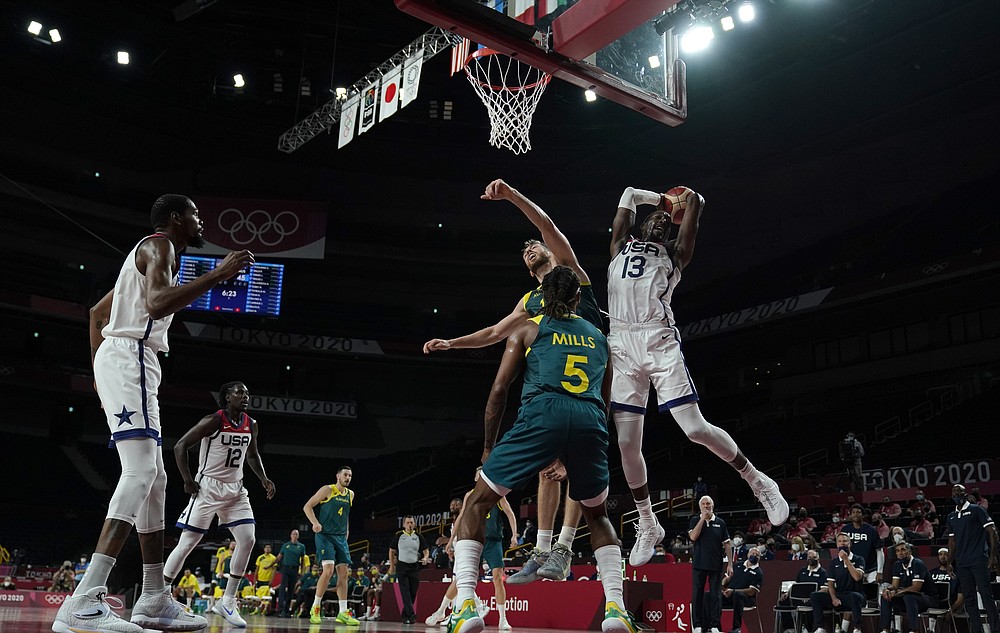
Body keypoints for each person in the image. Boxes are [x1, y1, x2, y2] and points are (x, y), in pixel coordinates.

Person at [57, 194, 252, 633]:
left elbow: (96, 314)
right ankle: (84, 600)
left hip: (124, 360)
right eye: (197, 215)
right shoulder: (159, 245)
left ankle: (152, 597)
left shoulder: (146, 257)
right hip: (131, 358)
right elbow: (160, 303)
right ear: (176, 218)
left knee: (157, 478)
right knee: (142, 473)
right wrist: (218, 274)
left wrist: (97, 372)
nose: (201, 221)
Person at [424, 179, 601, 584]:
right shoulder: (530, 301)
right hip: (554, 388)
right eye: (523, 250)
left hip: (593, 373)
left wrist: (511, 196)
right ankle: (544, 551)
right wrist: (452, 342)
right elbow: (493, 333)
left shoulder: (571, 276)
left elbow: (546, 225)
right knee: (547, 469)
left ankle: (565, 547)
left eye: (533, 245)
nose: (529, 248)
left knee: (575, 466)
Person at [446, 265, 638, 633]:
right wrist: (574, 450)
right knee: (597, 516)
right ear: (577, 298)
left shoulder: (528, 328)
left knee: (477, 502)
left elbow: (499, 391)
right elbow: (605, 401)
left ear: (542, 298)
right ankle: (616, 608)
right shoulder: (599, 337)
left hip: (543, 413)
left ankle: (466, 603)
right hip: (590, 421)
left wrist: (489, 447)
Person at [608, 186, 788, 567]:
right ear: (640, 227)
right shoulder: (620, 245)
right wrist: (658, 200)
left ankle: (757, 480)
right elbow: (627, 194)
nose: (660, 221)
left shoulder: (675, 254)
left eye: (665, 221)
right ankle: (647, 521)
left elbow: (697, 201)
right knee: (626, 443)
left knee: (693, 429)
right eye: (653, 219)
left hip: (657, 339)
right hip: (621, 342)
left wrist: (678, 203)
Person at [162, 380, 275, 628]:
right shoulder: (214, 420)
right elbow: (180, 446)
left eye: (247, 393)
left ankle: (228, 601)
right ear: (227, 397)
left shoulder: (251, 424)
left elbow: (252, 455)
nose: (245, 396)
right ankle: (160, 594)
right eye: (239, 392)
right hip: (208, 488)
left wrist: (263, 478)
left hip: (236, 489)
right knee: (188, 542)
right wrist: (187, 480)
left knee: (248, 539)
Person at [426, 469, 518, 629]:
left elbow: (510, 513)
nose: (482, 475)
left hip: (494, 541)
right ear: (476, 478)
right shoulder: (470, 495)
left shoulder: (498, 493)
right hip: (475, 539)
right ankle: (440, 611)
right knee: (460, 579)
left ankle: (503, 619)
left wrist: (514, 535)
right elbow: (461, 517)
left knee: (498, 578)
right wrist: (450, 540)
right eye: (479, 473)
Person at [303, 467, 360, 625]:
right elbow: (307, 506)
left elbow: (345, 514)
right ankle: (315, 608)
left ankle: (343, 612)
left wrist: (346, 530)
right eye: (345, 475)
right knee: (328, 571)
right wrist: (315, 522)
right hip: (325, 536)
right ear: (338, 476)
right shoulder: (328, 489)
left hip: (340, 538)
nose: (348, 478)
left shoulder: (351, 495)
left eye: (350, 475)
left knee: (344, 573)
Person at [944, 484, 999, 633]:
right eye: (954, 492)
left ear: (965, 493)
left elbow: (992, 531)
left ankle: (995, 629)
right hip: (962, 562)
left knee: (986, 595)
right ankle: (977, 630)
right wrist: (949, 562)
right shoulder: (951, 516)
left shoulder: (976, 510)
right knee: (969, 598)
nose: (957, 494)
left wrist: (993, 556)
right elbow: (952, 542)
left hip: (978, 559)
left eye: (959, 492)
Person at [690, 495, 732, 633]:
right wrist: (703, 518)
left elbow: (727, 544)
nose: (706, 506)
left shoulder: (720, 522)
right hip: (699, 563)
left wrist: (730, 564)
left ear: (712, 505)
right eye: (703, 504)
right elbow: (693, 537)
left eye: (708, 503)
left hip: (715, 563)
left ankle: (715, 625)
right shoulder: (695, 520)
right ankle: (697, 625)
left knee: (716, 595)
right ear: (700, 506)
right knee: (698, 594)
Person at [809, 533, 865, 633]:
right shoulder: (834, 562)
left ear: (850, 543)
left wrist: (846, 560)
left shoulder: (859, 559)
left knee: (854, 596)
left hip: (856, 595)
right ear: (837, 545)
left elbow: (857, 577)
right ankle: (820, 628)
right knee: (815, 596)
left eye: (845, 541)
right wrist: (834, 598)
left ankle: (857, 628)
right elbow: (830, 584)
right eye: (839, 541)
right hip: (840, 596)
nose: (842, 544)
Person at [878, 541, 936, 633]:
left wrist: (896, 592)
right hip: (908, 598)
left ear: (909, 552)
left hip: (927, 598)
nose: (900, 553)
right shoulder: (897, 565)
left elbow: (916, 588)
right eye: (897, 551)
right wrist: (888, 590)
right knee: (885, 597)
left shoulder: (917, 564)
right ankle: (885, 629)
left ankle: (914, 630)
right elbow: (895, 585)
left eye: (903, 550)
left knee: (909, 597)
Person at [388, 515, 431, 624]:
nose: (409, 525)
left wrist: (425, 557)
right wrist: (392, 566)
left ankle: (405, 615)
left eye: (411, 522)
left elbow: (426, 550)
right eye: (407, 523)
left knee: (413, 591)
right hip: (402, 566)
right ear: (404, 524)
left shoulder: (419, 536)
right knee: (405, 591)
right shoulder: (399, 536)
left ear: (414, 524)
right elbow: (391, 551)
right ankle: (412, 615)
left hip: (414, 566)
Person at [776, 549, 827, 633]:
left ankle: (807, 628)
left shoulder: (823, 573)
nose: (811, 559)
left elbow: (825, 588)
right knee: (784, 601)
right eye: (809, 557)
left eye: (813, 557)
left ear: (818, 559)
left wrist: (814, 596)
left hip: (812, 599)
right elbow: (796, 585)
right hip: (799, 598)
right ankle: (790, 628)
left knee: (811, 604)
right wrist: (787, 593)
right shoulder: (802, 571)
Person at [722, 547, 764, 633]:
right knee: (710, 595)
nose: (754, 556)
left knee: (738, 595)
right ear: (748, 554)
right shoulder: (737, 565)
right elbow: (726, 581)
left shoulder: (758, 572)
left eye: (757, 555)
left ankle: (736, 628)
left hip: (747, 599)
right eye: (753, 554)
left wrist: (733, 591)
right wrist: (725, 580)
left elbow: (751, 591)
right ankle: (713, 626)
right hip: (730, 594)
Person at [840, 504, 882, 582]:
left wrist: (880, 571)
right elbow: (841, 550)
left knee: (872, 592)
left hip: (870, 569)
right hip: (852, 568)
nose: (855, 514)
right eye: (853, 512)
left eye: (858, 512)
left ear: (863, 515)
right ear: (850, 515)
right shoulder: (845, 530)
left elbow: (879, 551)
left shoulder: (871, 530)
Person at [273, 529, 307, 617]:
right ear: (291, 535)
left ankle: (286, 610)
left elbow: (303, 560)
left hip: (295, 569)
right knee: (282, 588)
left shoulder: (301, 546)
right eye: (294, 534)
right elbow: (279, 557)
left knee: (291, 590)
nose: (295, 535)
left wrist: (302, 571)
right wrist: (271, 565)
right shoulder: (285, 545)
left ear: (298, 536)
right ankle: (280, 610)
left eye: (297, 534)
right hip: (285, 568)